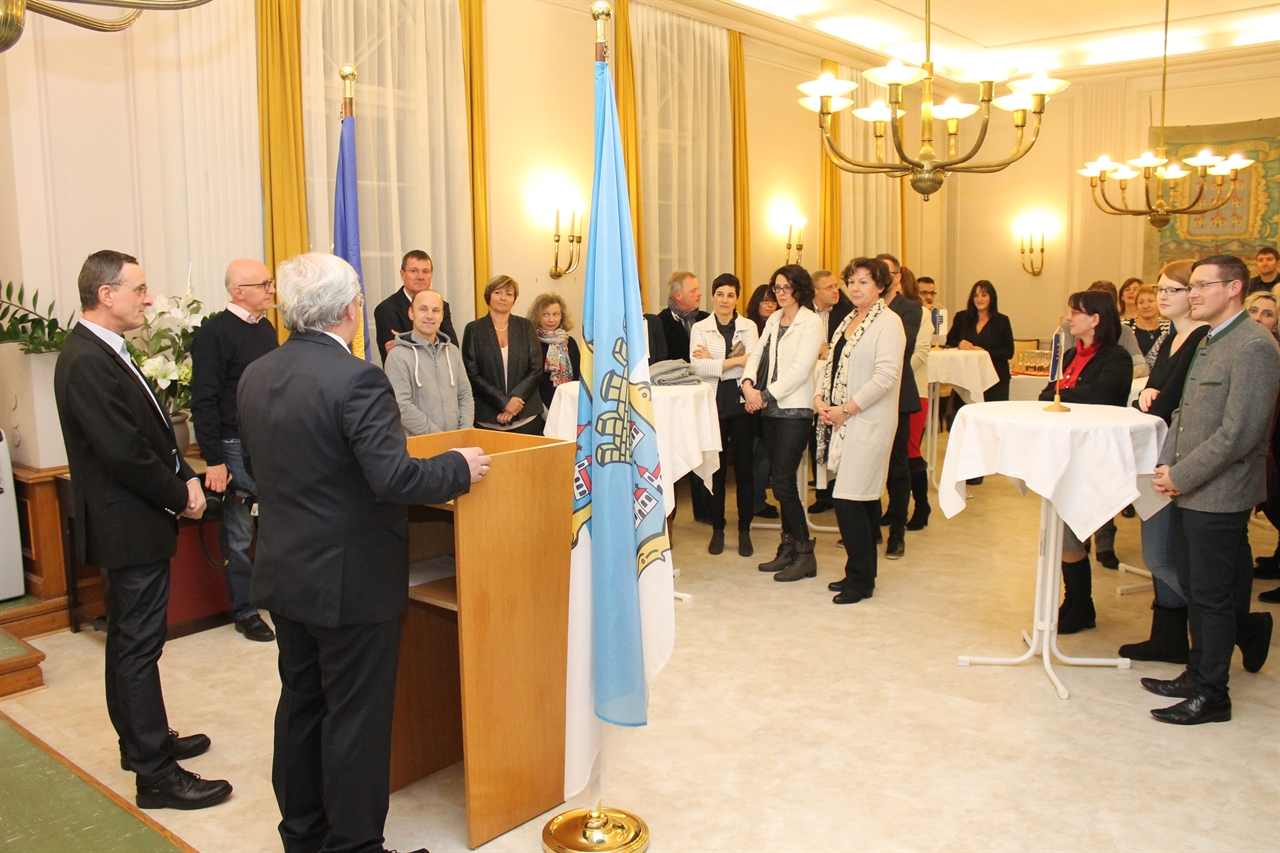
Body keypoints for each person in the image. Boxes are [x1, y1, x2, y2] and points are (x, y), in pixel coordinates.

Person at [237, 252, 489, 850]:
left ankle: (303, 835)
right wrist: (458, 466)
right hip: (349, 584)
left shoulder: (258, 373)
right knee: (355, 719)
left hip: (285, 571)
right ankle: (354, 845)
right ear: (349, 310)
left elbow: (257, 467)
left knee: (302, 706)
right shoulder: (357, 378)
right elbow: (394, 478)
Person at [54, 250, 232, 810]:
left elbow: (151, 433)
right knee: (136, 646)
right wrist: (182, 496)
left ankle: (143, 742)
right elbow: (124, 452)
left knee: (135, 643)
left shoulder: (107, 350)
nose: (148, 299)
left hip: (134, 519)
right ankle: (155, 774)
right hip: (126, 523)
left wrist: (187, 475)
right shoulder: (86, 360)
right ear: (106, 294)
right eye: (139, 289)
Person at [1143, 254, 1280, 725]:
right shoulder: (1211, 338)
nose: (1194, 293)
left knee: (1213, 598)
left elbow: (1239, 433)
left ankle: (1212, 695)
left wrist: (1182, 475)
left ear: (1234, 287)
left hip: (1219, 492)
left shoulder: (1254, 345)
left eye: (1203, 285)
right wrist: (1168, 462)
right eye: (1193, 286)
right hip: (1190, 485)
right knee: (1196, 589)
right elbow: (1185, 413)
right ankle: (1196, 673)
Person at [1118, 260, 1207, 663]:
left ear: (1193, 294)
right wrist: (1147, 396)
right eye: (1160, 289)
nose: (1162, 297)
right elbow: (1150, 392)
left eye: (1174, 290)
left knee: (1161, 555)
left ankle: (1237, 623)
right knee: (1160, 553)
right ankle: (1168, 639)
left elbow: (1166, 400)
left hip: (1178, 457)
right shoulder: (1172, 335)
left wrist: (1149, 397)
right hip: (1158, 451)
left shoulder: (1200, 338)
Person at [189, 259, 279, 643]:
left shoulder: (266, 329)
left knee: (274, 527)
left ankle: (273, 598)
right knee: (239, 535)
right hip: (231, 446)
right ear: (239, 291)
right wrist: (214, 461)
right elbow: (204, 400)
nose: (272, 290)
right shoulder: (214, 333)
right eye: (264, 284)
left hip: (267, 442)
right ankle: (244, 611)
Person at [1038, 290, 1134, 634]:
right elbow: (1046, 393)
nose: (1069, 318)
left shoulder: (1117, 357)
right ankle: (1077, 602)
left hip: (1096, 456)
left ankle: (1081, 604)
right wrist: (1059, 395)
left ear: (1095, 319)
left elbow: (1101, 395)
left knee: (1072, 532)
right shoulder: (1070, 354)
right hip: (1065, 453)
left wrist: (1060, 396)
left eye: (1076, 312)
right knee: (1064, 533)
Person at [815, 257, 905, 604]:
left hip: (870, 420)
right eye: (851, 281)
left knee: (849, 499)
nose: (855, 287)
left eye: (864, 281)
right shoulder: (848, 318)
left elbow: (885, 377)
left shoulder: (889, 322)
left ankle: (860, 579)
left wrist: (847, 409)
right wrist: (821, 398)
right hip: (844, 419)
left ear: (881, 286)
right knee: (862, 499)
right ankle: (861, 573)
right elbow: (830, 363)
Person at [742, 264, 822, 582]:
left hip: (795, 411)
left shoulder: (811, 322)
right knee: (778, 481)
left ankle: (805, 552)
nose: (781, 293)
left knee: (784, 483)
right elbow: (756, 355)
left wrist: (763, 395)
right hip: (770, 411)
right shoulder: (775, 319)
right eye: (777, 287)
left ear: (800, 289)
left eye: (787, 287)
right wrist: (747, 384)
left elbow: (800, 371)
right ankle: (788, 548)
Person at [690, 273, 759, 556]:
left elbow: (752, 366)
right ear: (712, 296)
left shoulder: (749, 326)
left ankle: (744, 530)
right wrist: (738, 360)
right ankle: (717, 529)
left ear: (737, 298)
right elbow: (698, 367)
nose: (725, 300)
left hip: (742, 405)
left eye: (730, 295)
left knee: (744, 471)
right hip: (713, 406)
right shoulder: (700, 327)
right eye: (720, 294)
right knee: (715, 471)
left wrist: (716, 363)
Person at [876, 253, 924, 560]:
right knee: (869, 464)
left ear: (897, 277)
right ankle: (870, 528)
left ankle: (897, 531)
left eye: (886, 273)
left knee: (897, 466)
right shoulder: (863, 309)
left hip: (897, 395)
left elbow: (900, 351)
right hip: (865, 398)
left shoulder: (910, 309)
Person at [461, 275, 545, 434]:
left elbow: (536, 368)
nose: (503, 298)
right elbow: (472, 374)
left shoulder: (525, 326)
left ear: (514, 300)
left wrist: (513, 404)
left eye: (509, 294)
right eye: (498, 292)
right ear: (488, 296)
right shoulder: (474, 329)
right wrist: (504, 402)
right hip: (487, 416)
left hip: (526, 416)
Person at [384, 288, 474, 435]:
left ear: (442, 316)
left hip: (458, 442)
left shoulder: (452, 352)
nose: (430, 316)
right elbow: (402, 406)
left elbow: (465, 395)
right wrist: (438, 438)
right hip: (421, 444)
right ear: (411, 313)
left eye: (435, 310)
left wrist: (464, 432)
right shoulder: (397, 356)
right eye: (423, 309)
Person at [807, 269, 853, 515]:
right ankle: (822, 492)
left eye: (836, 286)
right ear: (815, 291)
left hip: (839, 384)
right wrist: (818, 348)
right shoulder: (803, 313)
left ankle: (839, 490)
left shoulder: (847, 311)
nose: (836, 291)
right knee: (815, 436)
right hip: (808, 383)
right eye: (829, 288)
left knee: (836, 434)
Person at [373, 250, 457, 364]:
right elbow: (395, 356)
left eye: (425, 271)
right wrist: (433, 342)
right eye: (414, 271)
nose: (420, 277)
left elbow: (451, 348)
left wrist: (407, 343)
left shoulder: (441, 306)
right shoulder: (386, 309)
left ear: (431, 275)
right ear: (402, 274)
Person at [900, 267, 934, 529]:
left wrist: (890, 372)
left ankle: (922, 506)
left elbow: (921, 353)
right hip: (886, 392)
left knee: (910, 451)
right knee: (893, 455)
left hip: (914, 390)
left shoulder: (920, 313)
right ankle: (895, 509)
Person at [945, 280, 1015, 402]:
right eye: (976, 295)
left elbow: (1009, 352)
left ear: (991, 298)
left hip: (996, 378)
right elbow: (949, 341)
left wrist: (985, 352)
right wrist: (959, 344)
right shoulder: (962, 317)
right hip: (966, 377)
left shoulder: (1002, 321)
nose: (979, 299)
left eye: (984, 295)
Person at [745, 283, 779, 518]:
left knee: (765, 454)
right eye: (765, 300)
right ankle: (754, 502)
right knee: (756, 454)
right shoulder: (749, 327)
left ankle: (758, 500)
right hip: (750, 396)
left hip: (773, 397)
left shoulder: (780, 325)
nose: (770, 304)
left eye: (773, 300)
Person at [528, 291, 581, 409]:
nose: (551, 319)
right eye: (545, 314)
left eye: (556, 314)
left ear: (562, 316)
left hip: (567, 404)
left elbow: (577, 377)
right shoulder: (530, 342)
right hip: (537, 407)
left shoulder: (570, 342)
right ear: (537, 316)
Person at [655, 270, 708, 363]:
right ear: (678, 296)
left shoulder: (707, 319)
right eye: (694, 290)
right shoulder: (660, 323)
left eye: (698, 289)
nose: (700, 293)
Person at [1124, 284, 1172, 368]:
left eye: (1150, 301)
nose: (1145, 306)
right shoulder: (1125, 325)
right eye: (1141, 302)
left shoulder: (1169, 327)